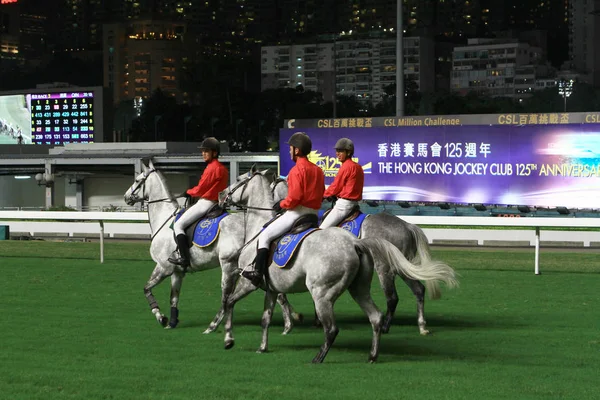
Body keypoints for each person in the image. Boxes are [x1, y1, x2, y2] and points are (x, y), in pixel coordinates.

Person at [241, 132, 325, 287]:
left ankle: (257, 272)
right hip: (313, 215)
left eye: (291, 148)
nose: (289, 151)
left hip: (297, 213)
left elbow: (294, 198)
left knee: (265, 235)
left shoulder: (296, 170)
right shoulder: (318, 170)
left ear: (297, 150)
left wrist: (281, 204)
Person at [168, 137, 228, 270]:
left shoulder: (212, 168)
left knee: (178, 225)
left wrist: (188, 192)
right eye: (203, 151)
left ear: (214, 152)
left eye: (206, 151)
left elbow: (201, 188)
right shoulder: (222, 169)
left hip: (206, 202)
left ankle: (184, 258)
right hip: (216, 204)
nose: (203, 154)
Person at [319, 138, 364, 229]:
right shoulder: (358, 167)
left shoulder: (346, 166)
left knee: (321, 230)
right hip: (354, 204)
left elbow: (336, 186)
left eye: (340, 151)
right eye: (337, 151)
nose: (337, 153)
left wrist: (323, 196)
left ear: (348, 152)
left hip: (343, 206)